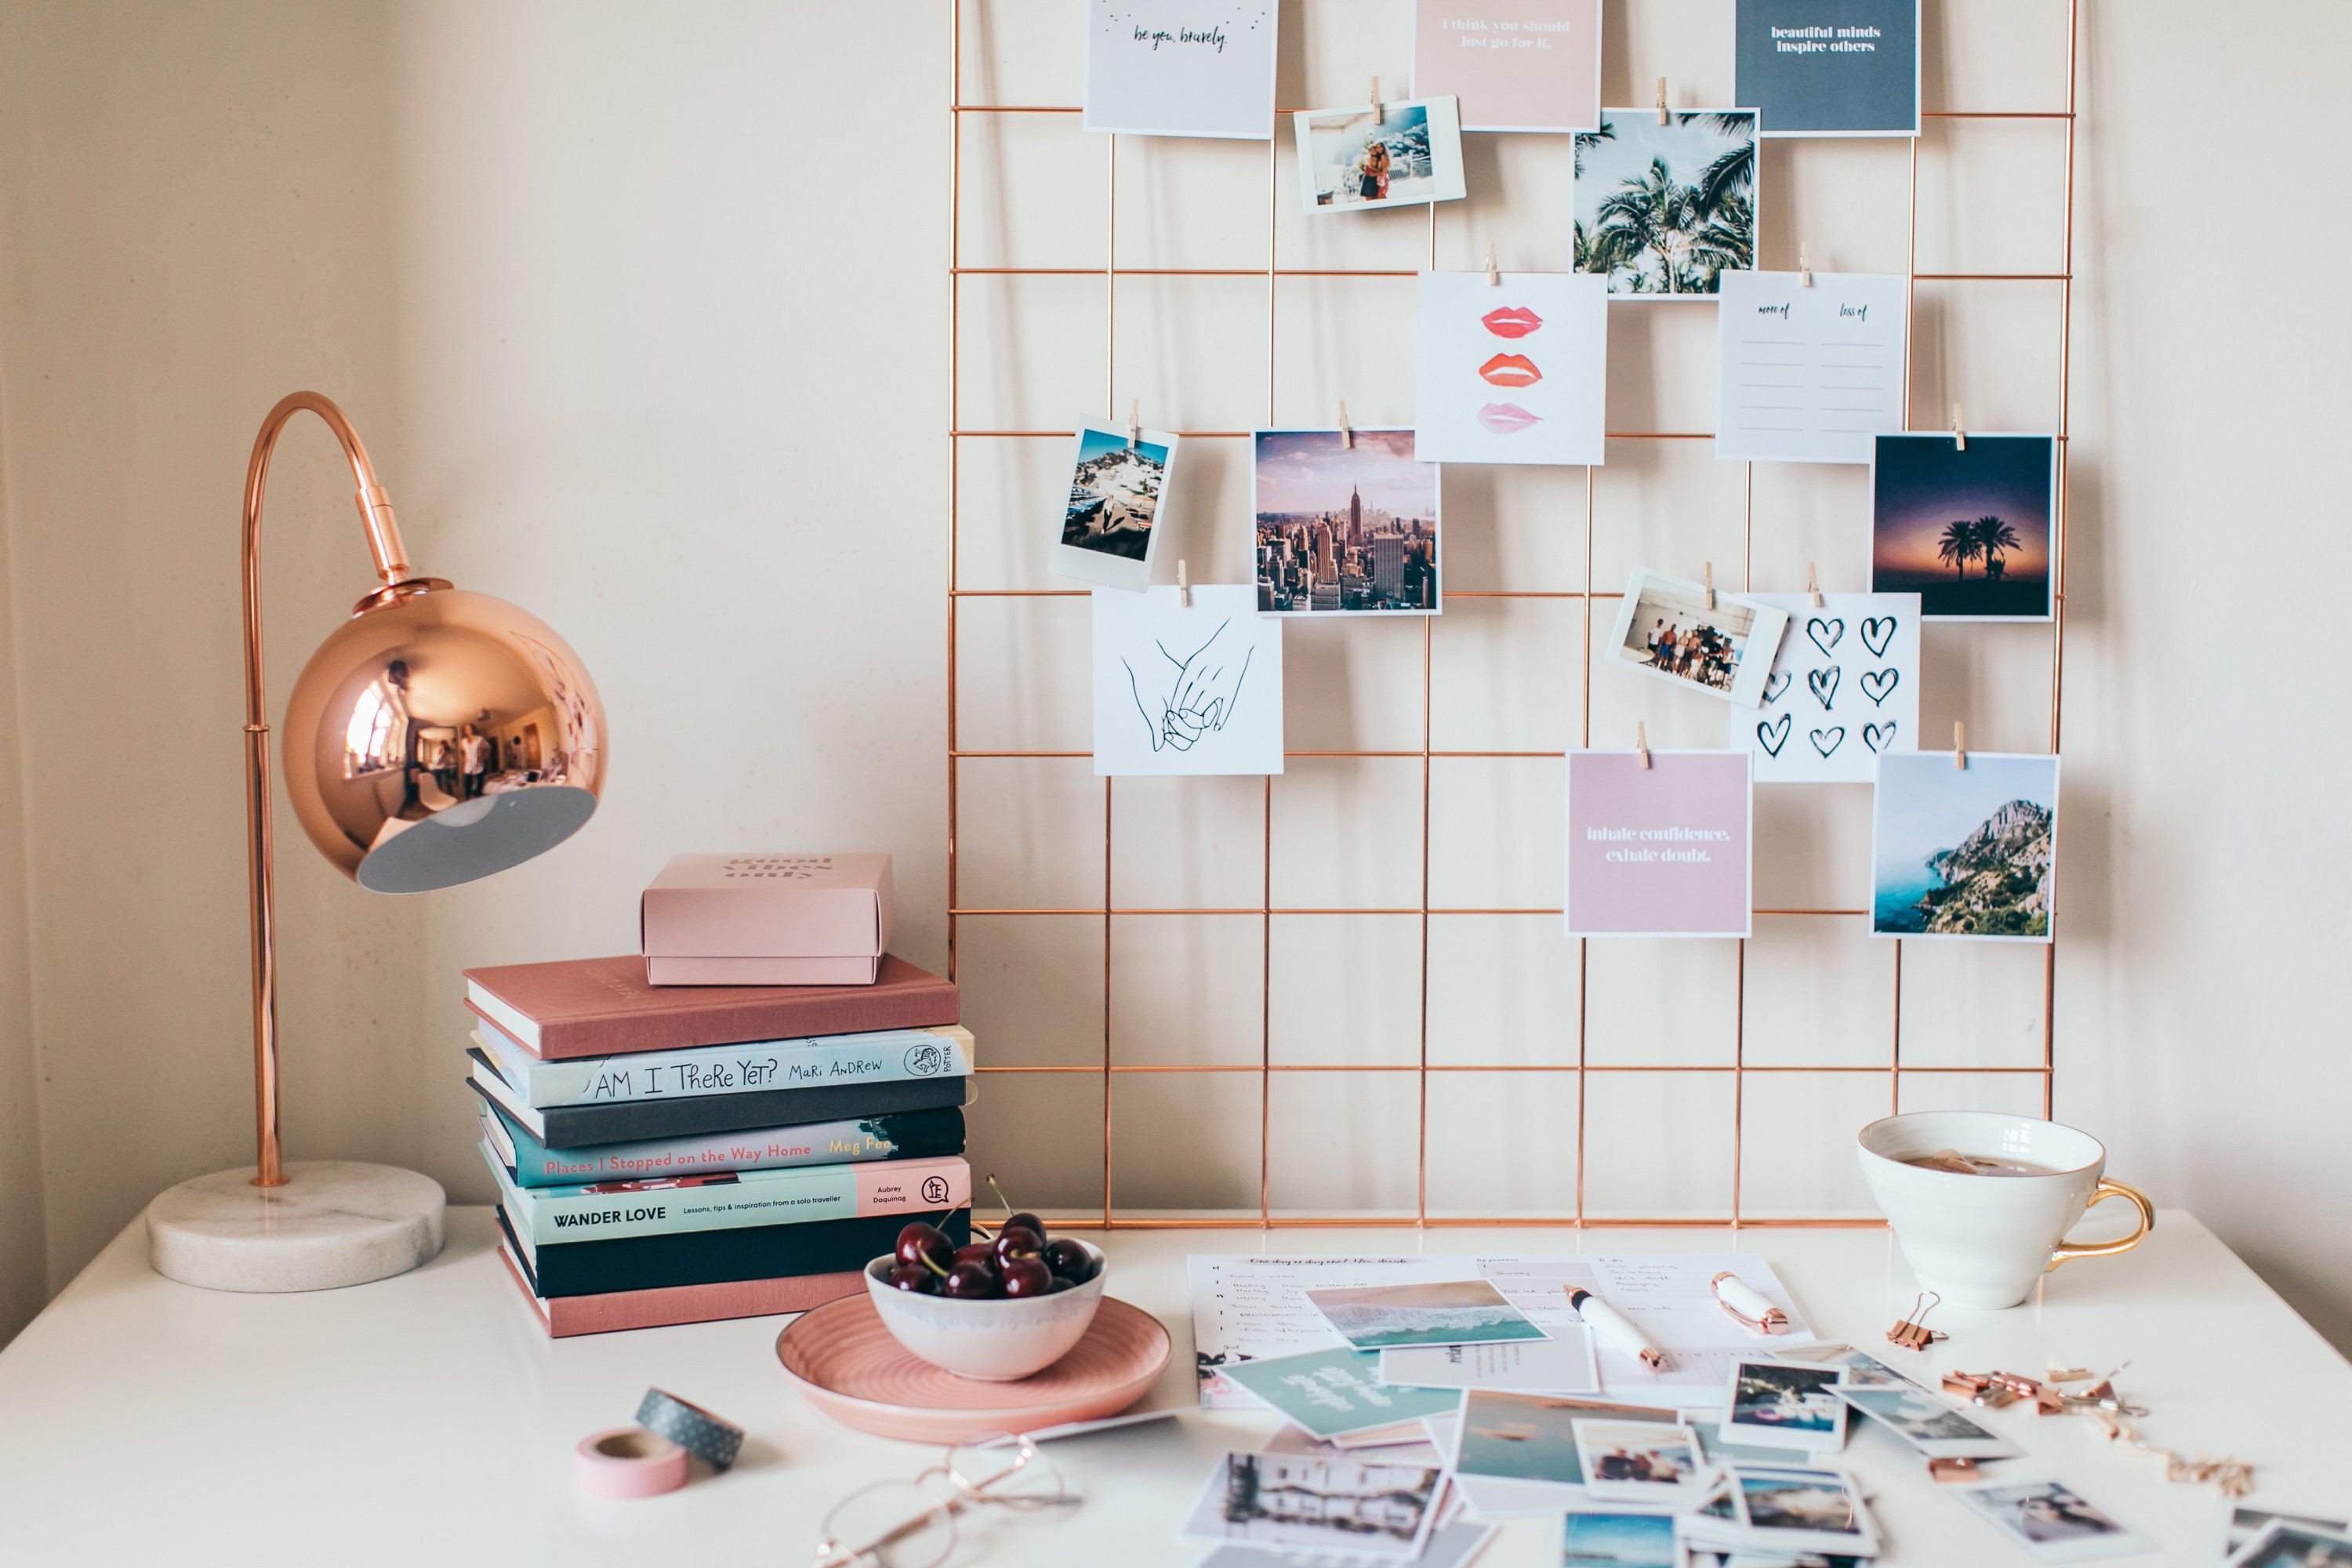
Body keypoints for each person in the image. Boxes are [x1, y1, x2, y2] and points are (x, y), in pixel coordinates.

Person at [459, 724, 489, 798]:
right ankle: (467, 800)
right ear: (465, 731)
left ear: (473, 729)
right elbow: (462, 752)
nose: (468, 729)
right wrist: (464, 759)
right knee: (467, 785)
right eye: (466, 728)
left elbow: (488, 748)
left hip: (479, 765)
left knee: (479, 785)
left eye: (470, 728)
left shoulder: (480, 739)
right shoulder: (463, 741)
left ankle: (477, 800)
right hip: (468, 766)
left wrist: (483, 758)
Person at [1360, 137, 1390, 201]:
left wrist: (1381, 173)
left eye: (1381, 147)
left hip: (1380, 181)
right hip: (1371, 181)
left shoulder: (1383, 157)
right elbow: (1370, 173)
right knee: (1373, 199)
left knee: (1379, 198)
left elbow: (1383, 172)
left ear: (1383, 148)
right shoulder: (1372, 158)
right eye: (1377, 147)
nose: (1379, 149)